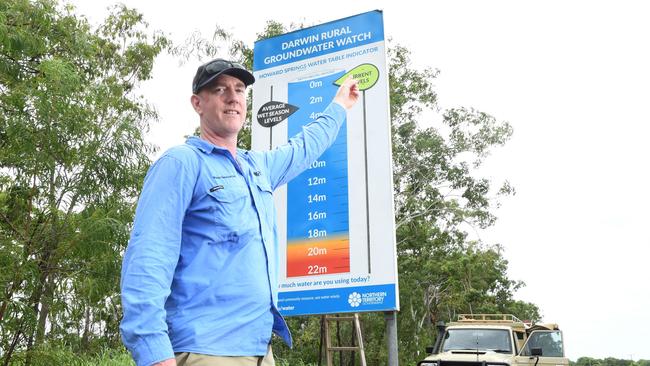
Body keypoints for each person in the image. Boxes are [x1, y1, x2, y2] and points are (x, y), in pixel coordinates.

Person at [120, 58, 360, 366]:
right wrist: (154, 353)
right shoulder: (182, 163)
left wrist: (339, 104)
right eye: (220, 89)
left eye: (239, 89)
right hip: (205, 351)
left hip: (260, 351)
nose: (232, 97)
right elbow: (148, 258)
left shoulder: (257, 167)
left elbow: (304, 148)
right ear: (197, 103)